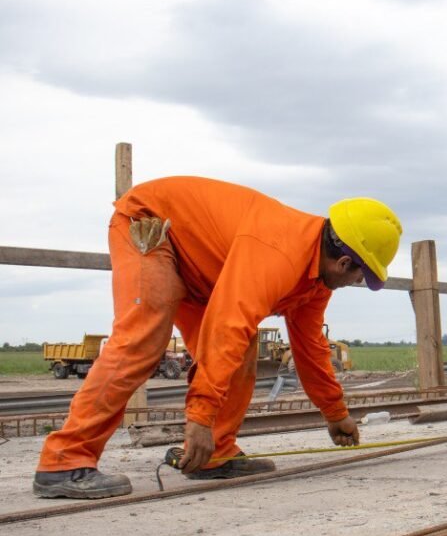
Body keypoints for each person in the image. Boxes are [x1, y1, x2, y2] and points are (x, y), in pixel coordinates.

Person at [33, 177, 403, 499]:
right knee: (143, 338)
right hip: (153, 226)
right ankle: (64, 460)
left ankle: (214, 454)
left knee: (243, 349)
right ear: (344, 263)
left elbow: (309, 349)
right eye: (361, 278)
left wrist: (335, 414)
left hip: (203, 269)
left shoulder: (315, 282)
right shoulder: (280, 252)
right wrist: (200, 418)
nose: (356, 284)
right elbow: (228, 325)